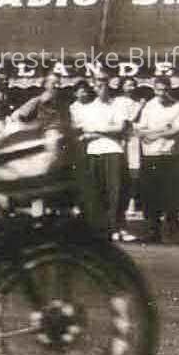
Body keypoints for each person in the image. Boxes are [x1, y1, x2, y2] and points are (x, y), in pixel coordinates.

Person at [71, 75, 130, 240]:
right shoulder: (87, 109)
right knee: (96, 191)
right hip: (94, 151)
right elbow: (84, 130)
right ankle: (100, 229)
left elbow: (120, 128)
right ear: (94, 87)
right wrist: (103, 130)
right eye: (98, 85)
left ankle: (115, 227)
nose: (101, 88)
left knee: (115, 191)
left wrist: (97, 130)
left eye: (104, 84)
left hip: (113, 150)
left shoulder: (117, 106)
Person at [135, 76, 179, 240]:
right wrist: (163, 129)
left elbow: (178, 129)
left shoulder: (178, 106)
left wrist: (156, 133)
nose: (162, 93)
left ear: (169, 89)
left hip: (170, 154)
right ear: (154, 90)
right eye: (159, 90)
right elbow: (140, 130)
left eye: (165, 90)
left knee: (171, 195)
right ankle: (153, 231)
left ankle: (173, 232)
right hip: (151, 155)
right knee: (151, 195)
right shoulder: (149, 106)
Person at [112, 77, 146, 237]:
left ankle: (131, 204)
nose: (131, 87)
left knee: (133, 174)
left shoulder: (135, 101)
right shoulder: (119, 101)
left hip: (134, 140)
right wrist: (140, 106)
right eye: (128, 85)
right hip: (122, 140)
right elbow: (128, 120)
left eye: (133, 85)